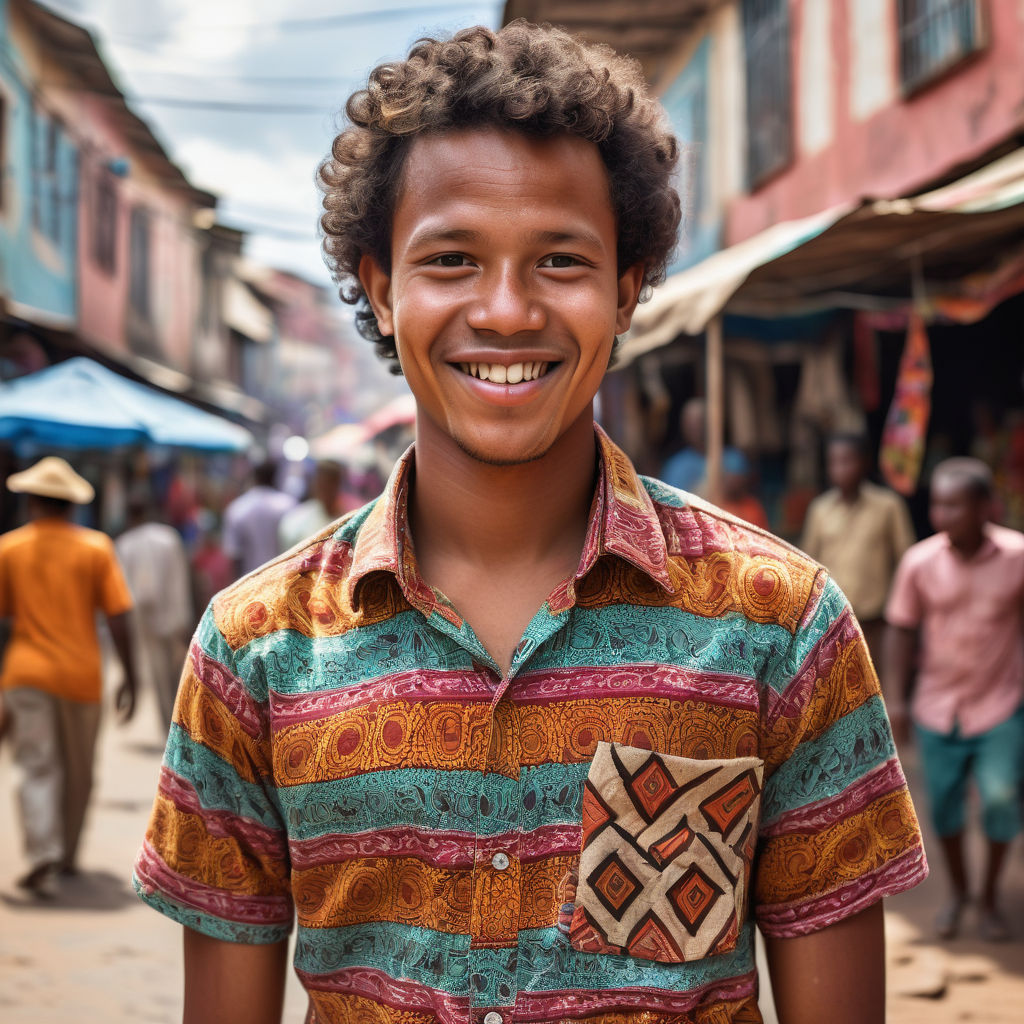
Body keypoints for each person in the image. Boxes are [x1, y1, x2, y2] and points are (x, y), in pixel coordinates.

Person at [133, 23, 926, 1024]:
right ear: (381, 290)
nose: (504, 311)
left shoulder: (783, 625)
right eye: (452, 259)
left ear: (627, 288)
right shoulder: (254, 650)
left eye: (560, 260)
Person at [885, 457, 1024, 943]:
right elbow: (901, 630)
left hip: (1002, 703)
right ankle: (960, 893)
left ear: (985, 507)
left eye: (954, 504)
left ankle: (988, 898)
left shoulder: (1018, 557)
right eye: (938, 504)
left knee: (1002, 799)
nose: (942, 514)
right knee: (943, 808)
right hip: (936, 707)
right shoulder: (919, 561)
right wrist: (897, 700)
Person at [0, 457, 137, 898]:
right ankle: (66, 854)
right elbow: (118, 616)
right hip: (81, 675)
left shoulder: (9, 548)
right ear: (71, 506)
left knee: (36, 765)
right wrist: (130, 676)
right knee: (79, 771)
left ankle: (44, 849)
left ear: (32, 503)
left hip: (25, 672)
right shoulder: (96, 548)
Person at [802, 433, 915, 658]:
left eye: (847, 461)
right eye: (834, 462)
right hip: (832, 621)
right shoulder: (820, 509)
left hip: (877, 620)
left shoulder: (888, 506)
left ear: (864, 463)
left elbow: (907, 560)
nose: (840, 469)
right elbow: (808, 565)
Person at [116, 491, 193, 730]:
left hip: (145, 620)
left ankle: (169, 729)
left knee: (160, 677)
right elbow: (183, 578)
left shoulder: (125, 544)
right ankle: (183, 726)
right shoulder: (168, 537)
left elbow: (130, 591)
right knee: (181, 675)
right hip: (176, 617)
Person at [221, 460, 296, 577]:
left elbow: (234, 555)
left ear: (254, 477)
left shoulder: (238, 508)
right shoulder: (288, 505)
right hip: (282, 579)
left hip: (249, 582)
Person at [278, 460, 345, 550]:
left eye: (330, 484)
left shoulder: (345, 520)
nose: (327, 489)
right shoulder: (297, 521)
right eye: (323, 484)